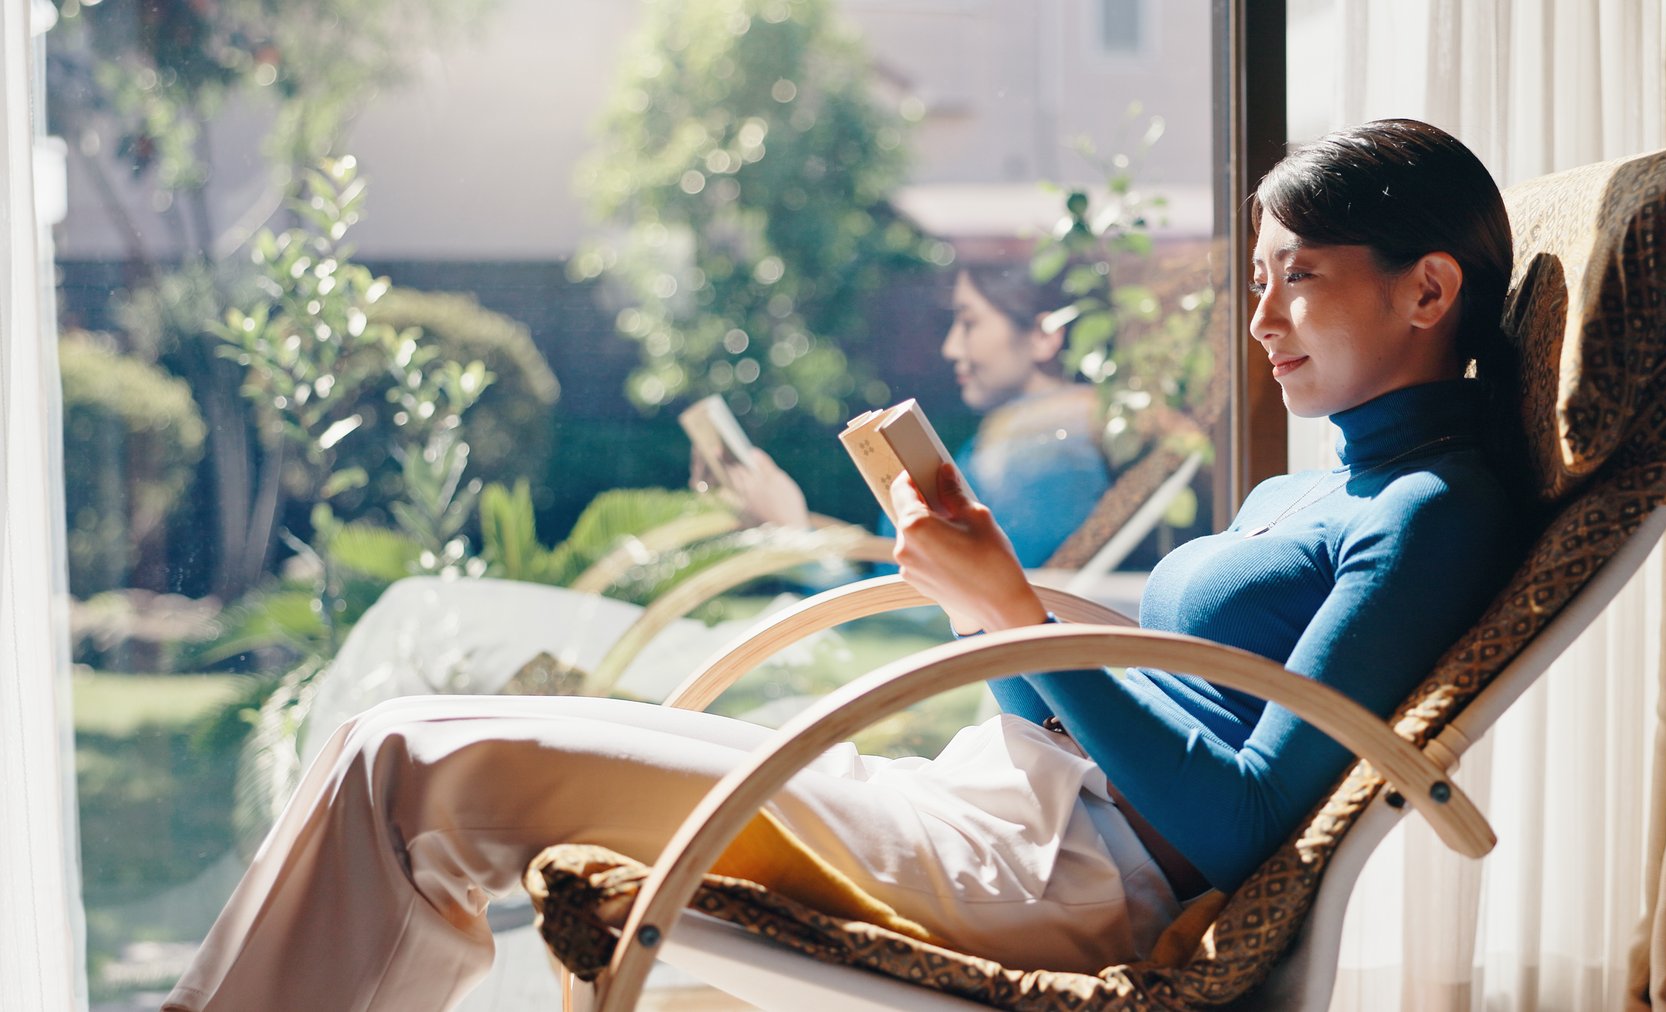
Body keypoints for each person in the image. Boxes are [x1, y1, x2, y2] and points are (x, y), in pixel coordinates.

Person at [162, 118, 1521, 1011]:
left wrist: (1014, 616)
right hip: (997, 811)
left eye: (1301, 275)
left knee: (414, 768)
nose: (1263, 315)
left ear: (1427, 288)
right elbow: (1131, 703)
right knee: (392, 738)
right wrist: (995, 609)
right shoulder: (1306, 485)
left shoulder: (1429, 509)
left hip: (1051, 882)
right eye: (1261, 275)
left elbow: (1241, 821)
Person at [698, 263, 1112, 568]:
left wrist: (794, 538)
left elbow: (946, 610)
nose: (951, 347)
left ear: (1042, 336)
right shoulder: (1024, 438)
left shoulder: (1051, 453)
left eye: (969, 323)